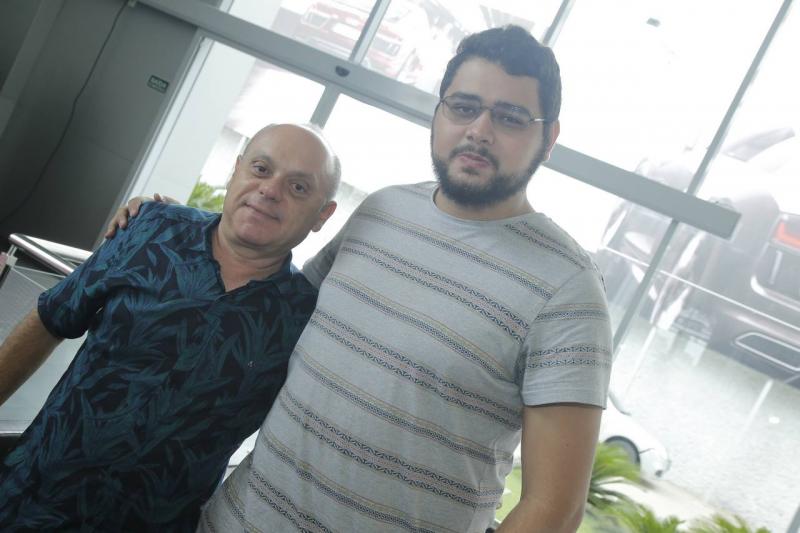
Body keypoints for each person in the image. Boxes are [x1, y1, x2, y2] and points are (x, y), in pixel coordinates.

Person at [118, 25, 612, 532]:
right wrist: (176, 231)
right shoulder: (383, 209)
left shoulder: (567, 288)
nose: (479, 130)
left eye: (509, 117)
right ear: (439, 112)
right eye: (463, 107)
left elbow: (555, 509)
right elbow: (270, 299)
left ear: (548, 138)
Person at [0, 123, 340, 531]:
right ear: (235, 170)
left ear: (323, 215)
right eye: (261, 168)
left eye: (299, 187)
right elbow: (52, 318)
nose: (269, 190)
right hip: (29, 498)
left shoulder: (307, 320)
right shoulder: (151, 228)